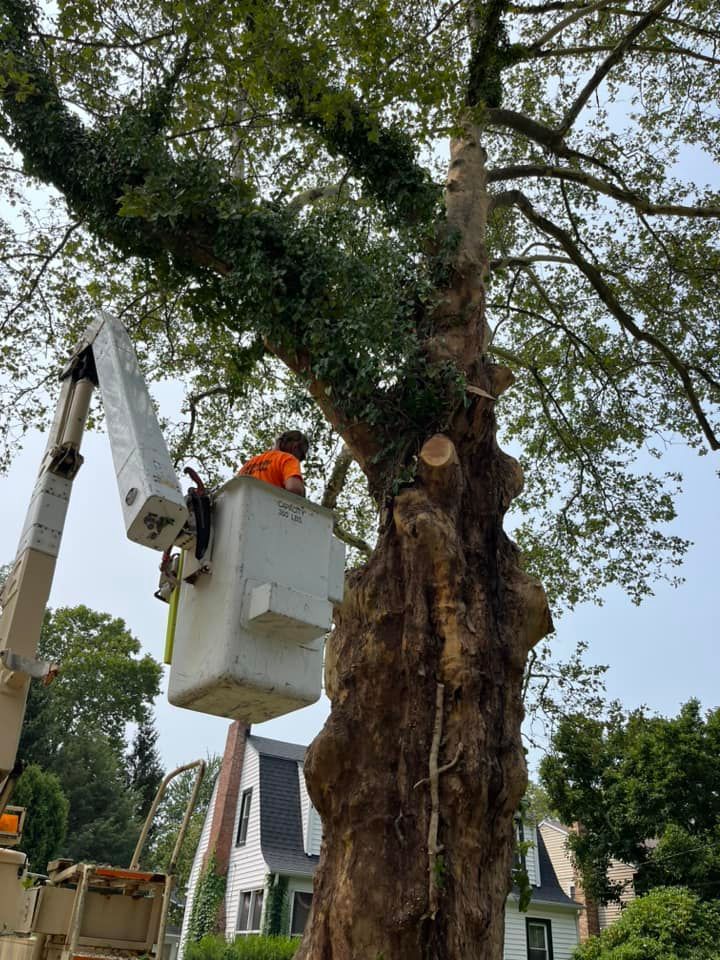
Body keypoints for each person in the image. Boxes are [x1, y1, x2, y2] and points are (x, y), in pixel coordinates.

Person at [238, 430, 309, 497]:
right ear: (295, 447)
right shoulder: (288, 458)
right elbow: (295, 489)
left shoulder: (248, 464)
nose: (299, 460)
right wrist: (302, 490)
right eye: (302, 455)